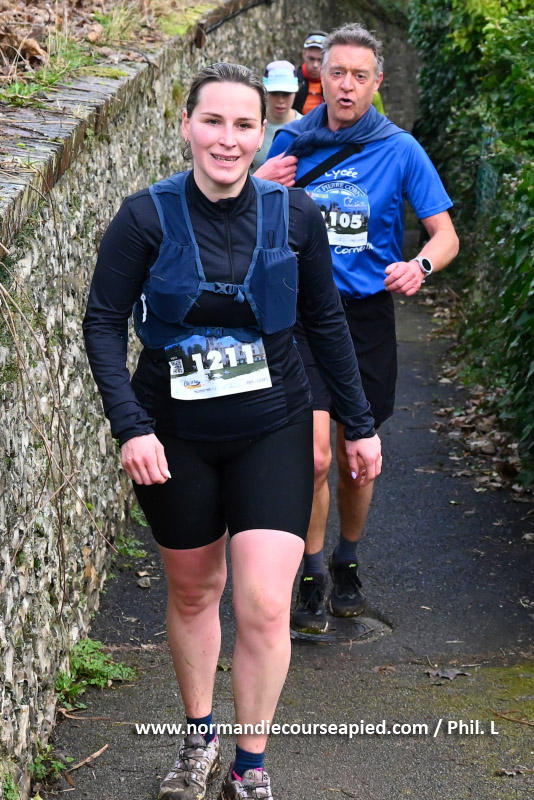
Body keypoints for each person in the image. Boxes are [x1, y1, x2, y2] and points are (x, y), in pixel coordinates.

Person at [83, 62, 382, 800]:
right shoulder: (144, 217)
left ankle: (250, 764)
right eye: (212, 121)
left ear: (262, 131)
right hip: (173, 436)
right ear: (186, 125)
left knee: (264, 603)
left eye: (244, 124)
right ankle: (198, 737)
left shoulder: (296, 216)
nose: (227, 139)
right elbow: (102, 323)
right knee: (194, 592)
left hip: (272, 426)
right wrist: (131, 428)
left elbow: (325, 323)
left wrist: (359, 424)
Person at [264, 23, 460, 633]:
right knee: (315, 457)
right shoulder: (291, 140)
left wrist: (419, 266)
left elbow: (445, 235)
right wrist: (257, 186)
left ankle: (347, 560)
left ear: (378, 82)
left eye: (359, 75)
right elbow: (230, 211)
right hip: (300, 315)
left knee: (356, 458)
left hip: (365, 317)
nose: (346, 86)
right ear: (318, 77)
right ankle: (311, 571)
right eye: (336, 73)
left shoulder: (401, 149)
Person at [251, 60, 302, 171]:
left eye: (286, 93)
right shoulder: (250, 123)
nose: (280, 100)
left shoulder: (306, 127)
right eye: (274, 93)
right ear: (264, 92)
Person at [293, 31, 327, 115]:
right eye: (311, 59)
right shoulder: (293, 80)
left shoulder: (334, 83)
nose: (315, 65)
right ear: (303, 54)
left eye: (320, 60)